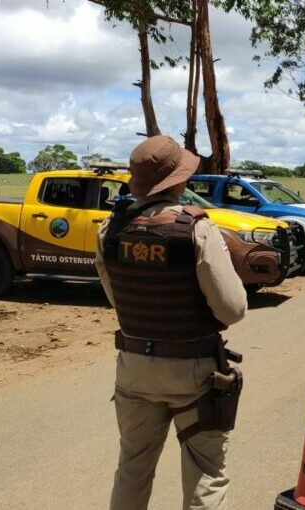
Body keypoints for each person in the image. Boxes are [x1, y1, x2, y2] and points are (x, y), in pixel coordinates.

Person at [95, 135, 248, 510]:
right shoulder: (196, 230)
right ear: (177, 181)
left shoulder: (109, 232)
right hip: (193, 372)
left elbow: (117, 299)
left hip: (134, 370)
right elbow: (233, 309)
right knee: (205, 473)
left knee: (132, 469)